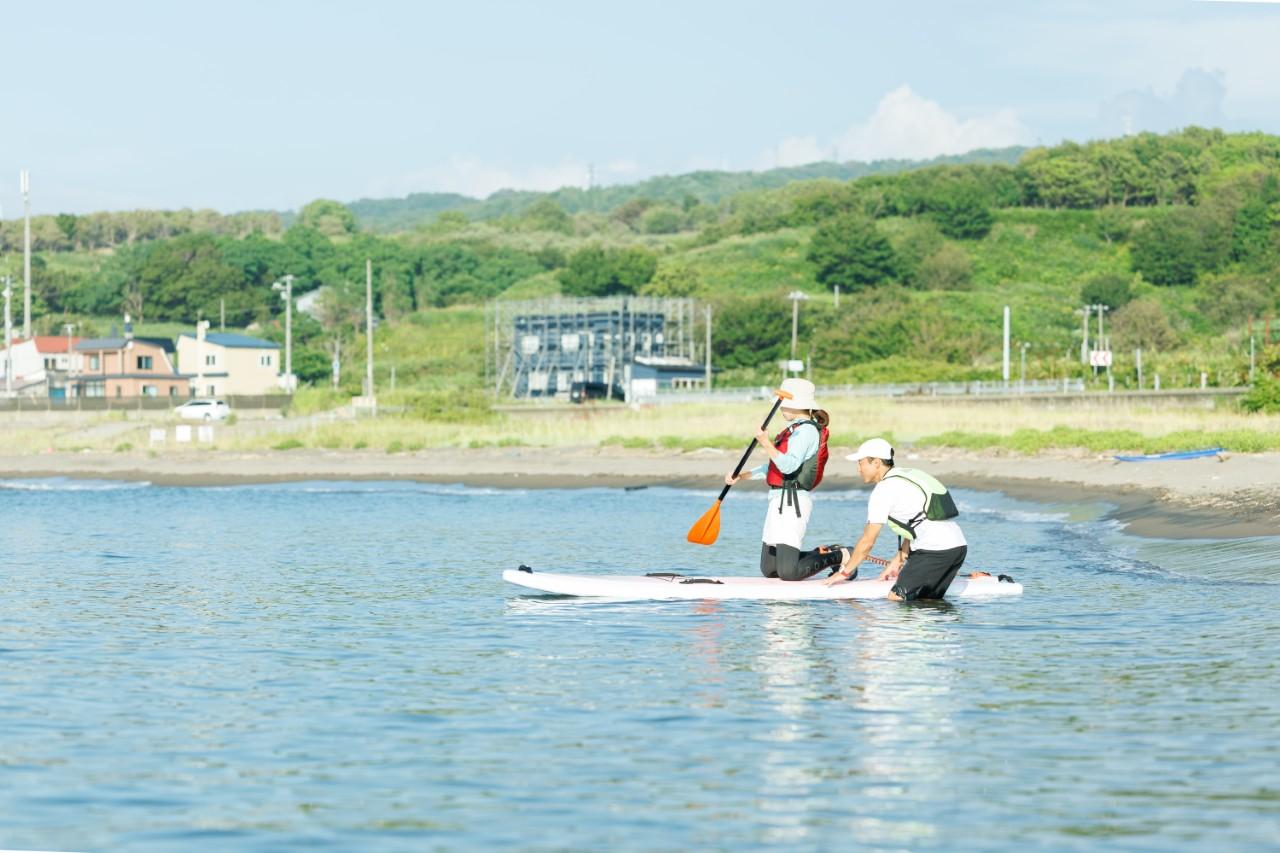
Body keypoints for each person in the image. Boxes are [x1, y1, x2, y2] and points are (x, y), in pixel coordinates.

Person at [724, 378, 843, 581]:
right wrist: (742, 476)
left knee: (789, 573)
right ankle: (822, 552)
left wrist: (765, 442)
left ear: (796, 405)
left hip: (793, 502)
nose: (779, 408)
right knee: (769, 569)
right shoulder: (792, 429)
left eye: (782, 404)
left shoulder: (806, 431)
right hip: (777, 500)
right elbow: (774, 466)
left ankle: (840, 555)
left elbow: (789, 466)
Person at [823, 437, 967, 601]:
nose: (858, 469)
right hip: (957, 546)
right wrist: (898, 561)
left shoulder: (883, 490)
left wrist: (844, 573)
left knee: (895, 597)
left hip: (935, 550)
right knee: (926, 601)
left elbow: (867, 541)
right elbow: (916, 521)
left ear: (876, 462)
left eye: (861, 463)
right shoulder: (906, 475)